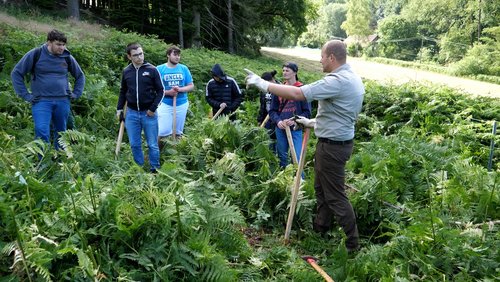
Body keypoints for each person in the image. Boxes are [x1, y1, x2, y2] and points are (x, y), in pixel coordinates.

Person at [245, 40, 364, 252]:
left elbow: (298, 94)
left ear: (331, 57)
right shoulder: (352, 77)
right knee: (321, 189)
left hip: (332, 147)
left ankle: (353, 245)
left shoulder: (338, 80)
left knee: (335, 195)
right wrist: (311, 123)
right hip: (335, 141)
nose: (320, 60)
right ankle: (321, 229)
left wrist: (262, 84)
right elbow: (341, 116)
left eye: (322, 56)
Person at [11, 29, 85, 150]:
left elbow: (80, 76)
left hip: (62, 101)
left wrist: (76, 93)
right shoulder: (36, 54)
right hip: (41, 101)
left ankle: (59, 162)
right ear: (49, 43)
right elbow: (16, 73)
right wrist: (26, 95)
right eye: (58, 44)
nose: (62, 48)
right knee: (41, 130)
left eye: (63, 44)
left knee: (61, 133)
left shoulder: (67, 57)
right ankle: (42, 162)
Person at [116, 43, 163, 173]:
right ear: (129, 57)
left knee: (152, 144)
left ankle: (155, 170)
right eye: (135, 55)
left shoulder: (152, 70)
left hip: (149, 114)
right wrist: (119, 109)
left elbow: (161, 91)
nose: (139, 57)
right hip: (131, 114)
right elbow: (122, 91)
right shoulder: (126, 71)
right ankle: (139, 169)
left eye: (141, 54)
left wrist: (153, 108)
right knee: (134, 144)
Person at [268, 62, 310, 168]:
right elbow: (272, 111)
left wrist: (295, 120)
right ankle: (284, 179)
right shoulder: (279, 90)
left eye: (287, 70)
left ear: (295, 72)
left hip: (296, 129)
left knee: (297, 156)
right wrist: (278, 121)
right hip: (281, 128)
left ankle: (299, 180)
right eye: (283, 70)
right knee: (282, 155)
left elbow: (307, 112)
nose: (284, 73)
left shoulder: (302, 90)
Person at [156, 45, 194, 144]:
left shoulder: (184, 69)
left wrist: (180, 89)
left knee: (178, 133)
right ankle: (155, 154)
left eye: (179, 55)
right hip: (164, 103)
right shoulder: (159, 69)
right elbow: (154, 89)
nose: (177, 57)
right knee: (163, 131)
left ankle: (176, 157)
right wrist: (168, 92)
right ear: (168, 55)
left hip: (181, 103)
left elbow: (191, 86)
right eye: (175, 54)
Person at [257, 70, 278, 152]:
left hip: (276, 119)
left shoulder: (280, 88)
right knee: (266, 139)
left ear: (272, 79)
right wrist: (260, 119)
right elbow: (262, 106)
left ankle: (275, 155)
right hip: (266, 119)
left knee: (275, 140)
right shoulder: (264, 90)